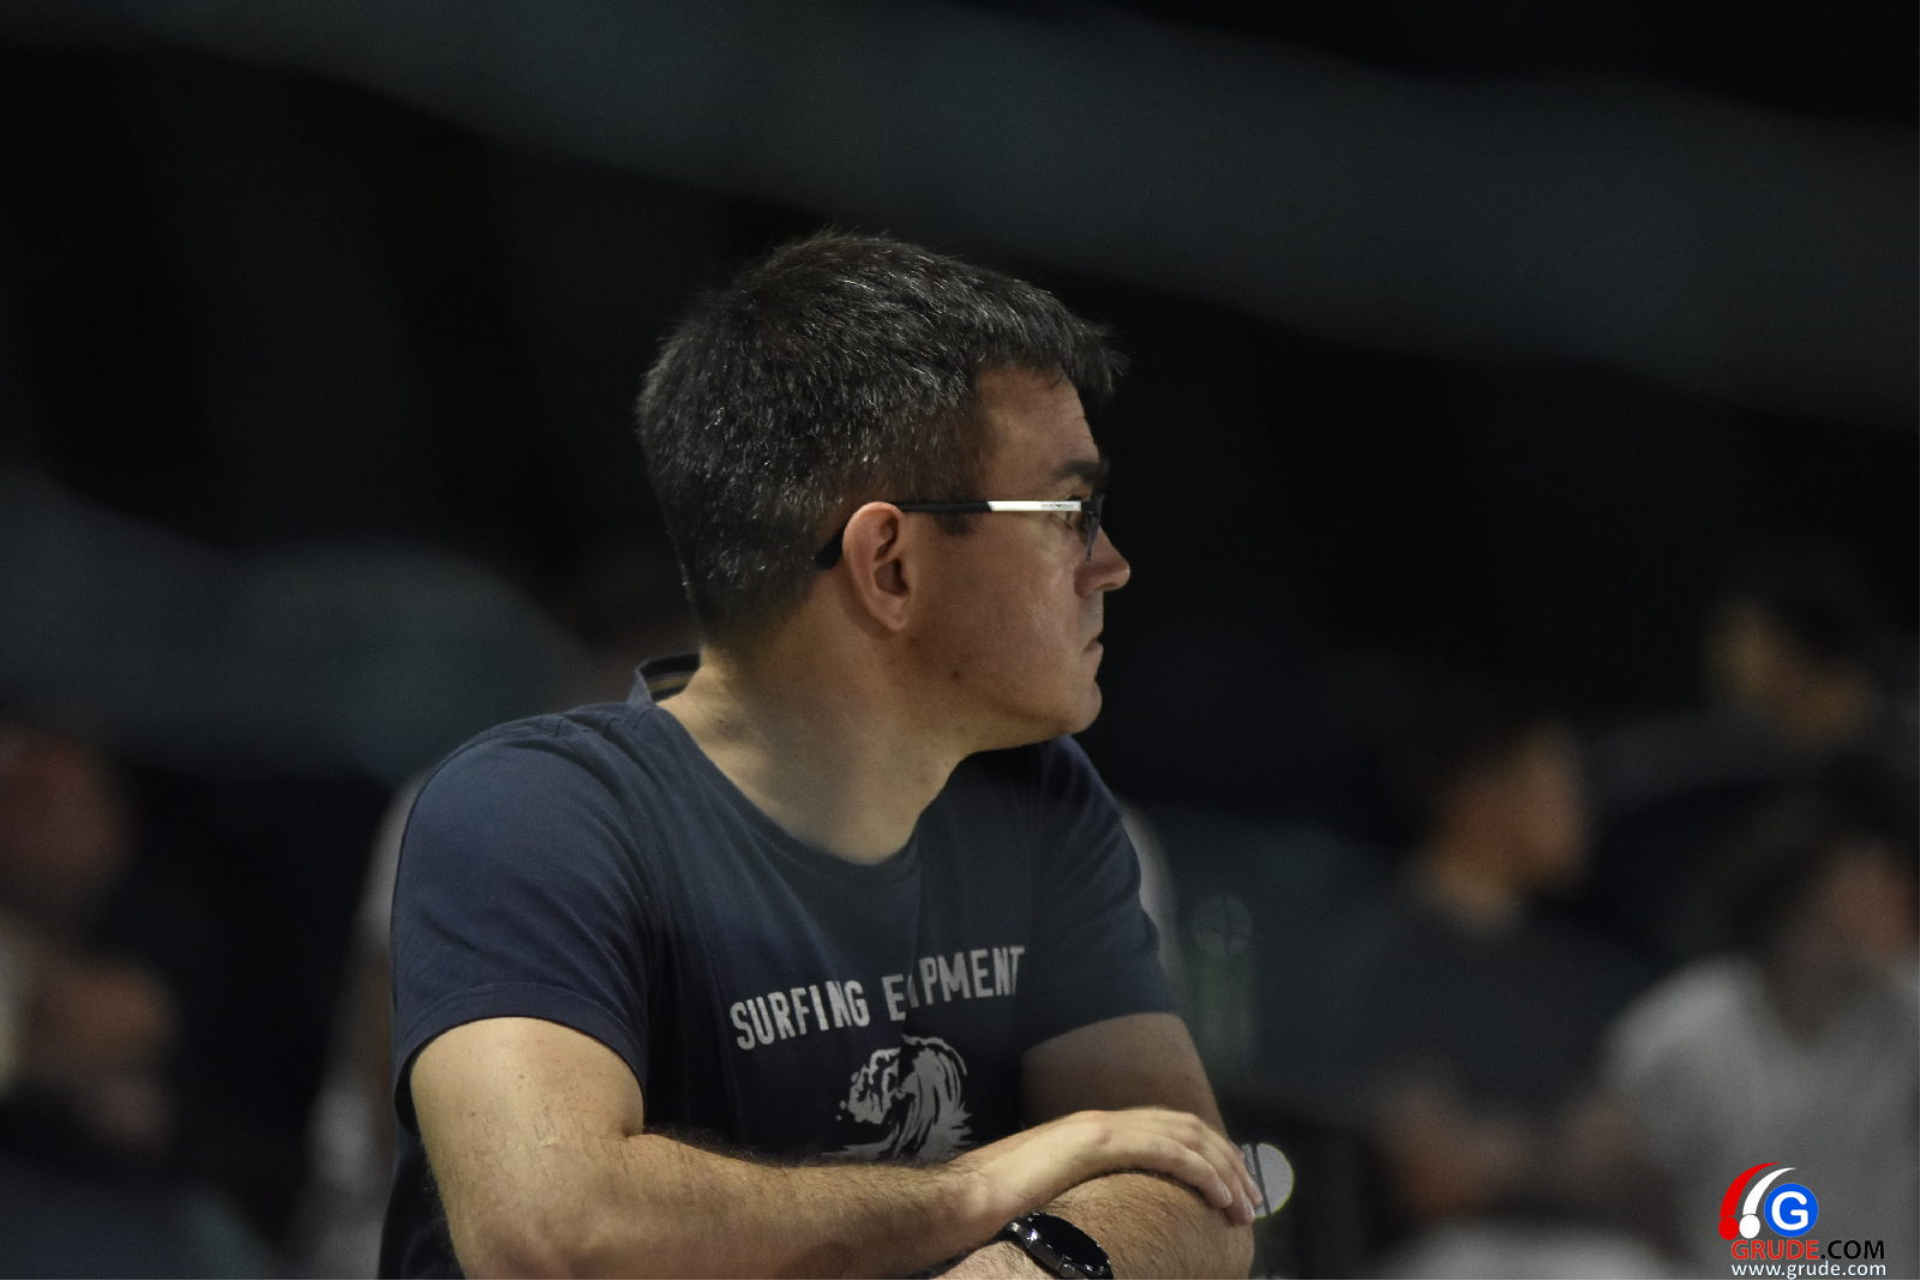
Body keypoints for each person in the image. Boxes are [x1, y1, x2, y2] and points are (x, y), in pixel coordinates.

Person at [381, 232, 1260, 1280]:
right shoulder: (532, 810)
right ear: (889, 564)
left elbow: (1199, 1192)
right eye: (1070, 512)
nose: (1110, 564)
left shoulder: (1036, 801)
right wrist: (977, 1186)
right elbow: (556, 1231)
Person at [1605, 796, 1920, 1270]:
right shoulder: (1684, 1031)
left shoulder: (1907, 1009)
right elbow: (1635, 1184)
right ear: (1798, 912)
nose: (1897, 899)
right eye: (1866, 885)